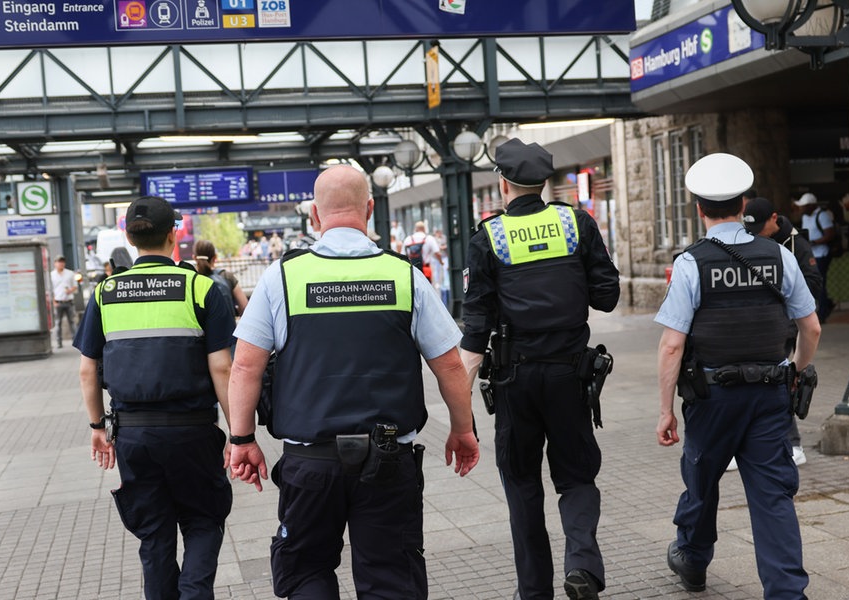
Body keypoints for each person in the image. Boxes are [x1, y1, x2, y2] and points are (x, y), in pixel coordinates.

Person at [227, 165, 479, 600]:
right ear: (369, 208)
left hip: (310, 466)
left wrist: (241, 437)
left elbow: (245, 367)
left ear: (314, 216)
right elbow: (451, 366)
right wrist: (462, 429)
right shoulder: (406, 276)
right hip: (388, 462)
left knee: (306, 573)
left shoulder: (281, 278)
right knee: (390, 578)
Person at [459, 138, 620, 600]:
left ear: (503, 183)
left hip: (515, 380)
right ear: (546, 183)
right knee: (576, 476)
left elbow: (474, 333)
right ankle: (583, 567)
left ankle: (533, 591)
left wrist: (461, 413)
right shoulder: (577, 223)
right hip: (572, 376)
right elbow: (607, 297)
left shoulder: (487, 237)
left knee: (522, 482)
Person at [656, 153, 820, 598]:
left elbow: (672, 344)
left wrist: (665, 410)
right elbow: (812, 327)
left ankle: (691, 558)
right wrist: (796, 374)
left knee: (702, 480)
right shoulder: (778, 256)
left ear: (697, 208)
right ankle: (787, 592)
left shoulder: (691, 263)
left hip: (712, 398)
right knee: (772, 496)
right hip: (770, 396)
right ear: (744, 202)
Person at [73, 195, 236, 600]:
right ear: (173, 234)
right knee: (202, 520)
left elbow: (87, 369)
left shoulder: (106, 292)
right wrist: (240, 433)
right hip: (193, 433)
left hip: (133, 436)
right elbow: (222, 368)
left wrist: (97, 427)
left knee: (154, 534)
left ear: (130, 238)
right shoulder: (200, 288)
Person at [741, 196, 823, 468]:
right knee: (751, 381)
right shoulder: (750, 239)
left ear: (774, 219)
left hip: (786, 324)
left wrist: (784, 296)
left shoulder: (796, 244)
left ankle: (793, 444)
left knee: (779, 378)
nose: (753, 235)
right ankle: (747, 443)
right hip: (758, 323)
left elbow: (813, 283)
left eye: (759, 228)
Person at [794, 192, 836, 321]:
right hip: (811, 254)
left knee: (819, 282)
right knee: (812, 281)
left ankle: (822, 312)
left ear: (812, 206)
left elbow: (830, 234)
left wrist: (814, 242)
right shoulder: (805, 217)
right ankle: (826, 304)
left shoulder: (822, 216)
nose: (801, 209)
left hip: (821, 253)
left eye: (804, 206)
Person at [193, 239, 249, 317]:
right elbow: (244, 307)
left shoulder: (191, 280)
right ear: (215, 257)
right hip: (228, 328)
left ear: (194, 258)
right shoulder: (227, 276)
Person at [50, 256, 78, 348]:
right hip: (58, 302)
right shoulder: (52, 275)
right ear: (55, 263)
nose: (61, 263)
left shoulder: (70, 273)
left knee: (72, 322)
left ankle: (76, 341)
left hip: (69, 301)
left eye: (62, 262)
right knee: (58, 323)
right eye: (59, 262)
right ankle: (59, 342)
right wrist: (53, 301)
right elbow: (51, 289)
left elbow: (75, 286)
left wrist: (70, 291)